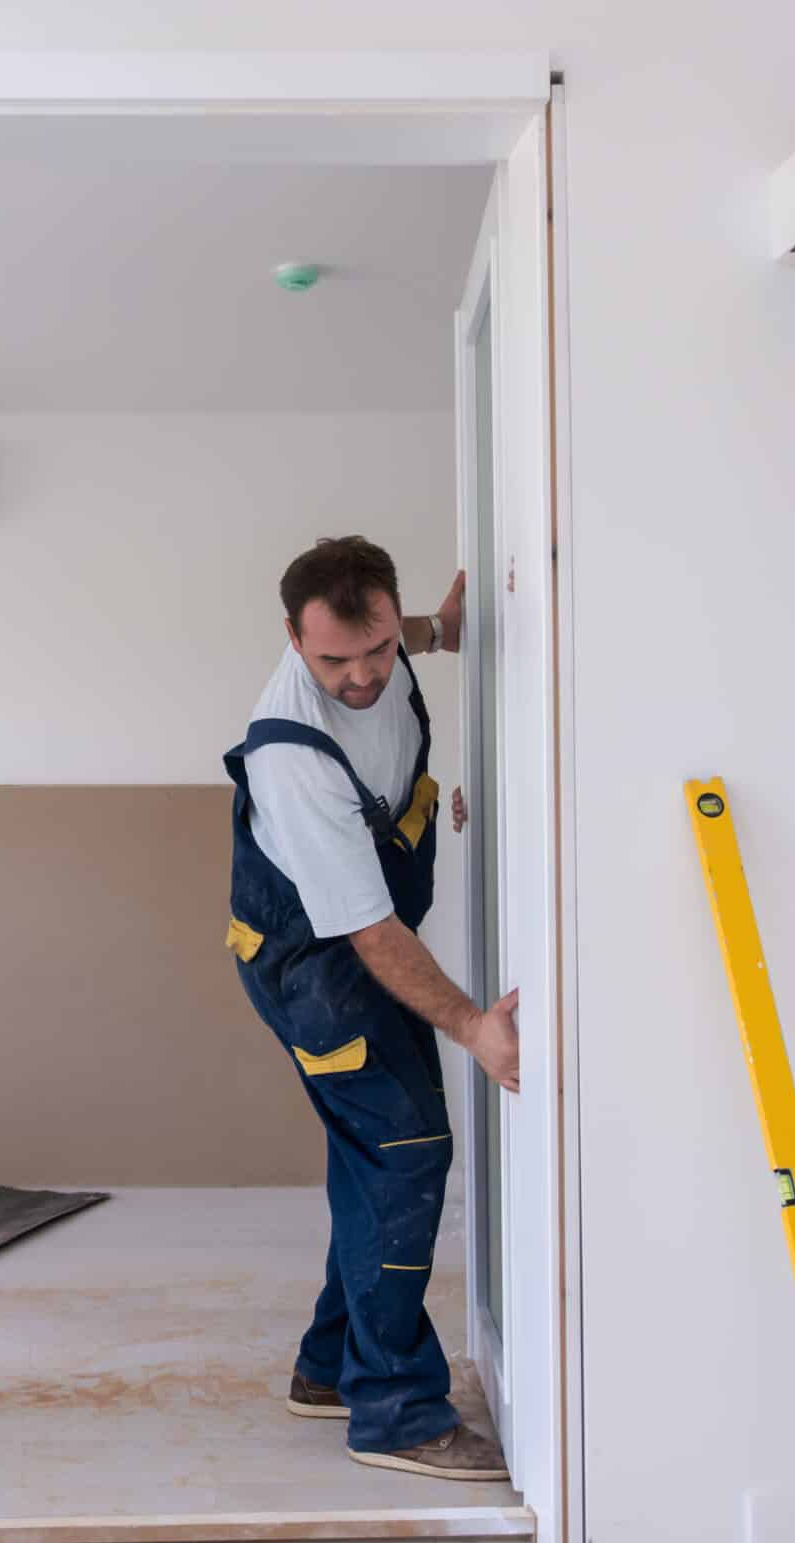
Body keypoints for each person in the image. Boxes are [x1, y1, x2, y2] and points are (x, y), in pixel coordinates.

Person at [221, 535, 520, 1480]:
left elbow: (410, 638)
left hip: (363, 945)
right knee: (406, 1151)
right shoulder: (291, 757)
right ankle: (393, 1411)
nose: (361, 677)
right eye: (333, 660)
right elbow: (371, 932)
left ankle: (326, 1369)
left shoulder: (392, 645)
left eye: (381, 649)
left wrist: (442, 629)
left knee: (371, 1155)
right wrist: (474, 1026)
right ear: (292, 640)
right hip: (318, 964)